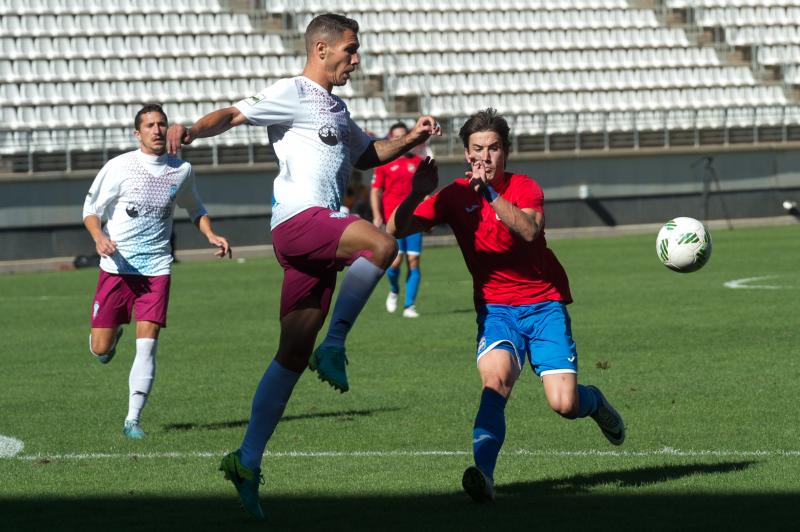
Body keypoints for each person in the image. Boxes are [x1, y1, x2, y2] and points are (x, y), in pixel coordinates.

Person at [165, 13, 440, 520]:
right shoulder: (292, 91)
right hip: (302, 220)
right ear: (321, 48)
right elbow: (232, 114)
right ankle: (335, 346)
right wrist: (192, 131)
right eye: (350, 50)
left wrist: (410, 138)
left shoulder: (334, 107)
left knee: (291, 355)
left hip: (315, 236)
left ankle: (246, 461)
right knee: (382, 247)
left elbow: (366, 154)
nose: (356, 60)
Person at [388, 108, 625, 503]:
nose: (485, 156)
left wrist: (490, 195)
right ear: (466, 154)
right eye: (478, 149)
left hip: (543, 304)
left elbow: (529, 229)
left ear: (506, 152)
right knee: (494, 382)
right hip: (496, 311)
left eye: (494, 148)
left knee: (564, 404)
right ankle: (484, 474)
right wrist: (416, 192)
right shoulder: (452, 197)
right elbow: (396, 229)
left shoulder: (524, 187)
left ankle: (595, 401)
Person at [83, 103, 231, 439]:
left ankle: (132, 419)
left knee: (148, 345)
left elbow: (196, 209)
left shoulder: (181, 170)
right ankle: (108, 340)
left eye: (161, 124)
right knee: (101, 348)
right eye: (149, 125)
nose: (157, 130)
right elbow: (92, 210)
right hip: (117, 268)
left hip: (156, 269)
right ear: (137, 133)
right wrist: (98, 236)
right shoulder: (119, 167)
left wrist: (210, 233)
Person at [370, 122, 425, 318]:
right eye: (397, 136)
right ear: (391, 138)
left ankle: (409, 306)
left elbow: (425, 193)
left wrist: (429, 215)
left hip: (414, 220)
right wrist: (377, 215)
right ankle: (394, 290)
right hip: (393, 222)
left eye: (405, 135)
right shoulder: (384, 163)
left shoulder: (419, 162)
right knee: (394, 264)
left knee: (414, 261)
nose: (401, 139)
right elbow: (376, 191)